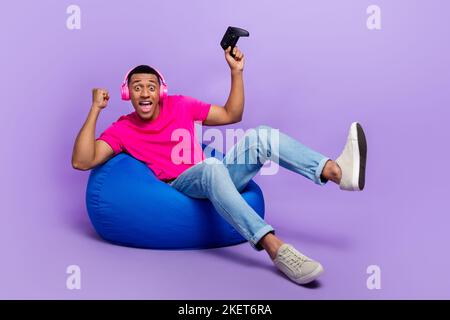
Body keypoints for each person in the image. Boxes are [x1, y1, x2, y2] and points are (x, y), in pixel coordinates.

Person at [72, 46, 367, 285]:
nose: (145, 93)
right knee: (212, 167)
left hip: (214, 177)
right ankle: (275, 248)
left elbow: (230, 115)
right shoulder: (124, 128)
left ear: (161, 91)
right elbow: (82, 161)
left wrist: (236, 72)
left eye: (151, 86)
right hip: (180, 186)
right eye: (137, 88)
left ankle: (336, 172)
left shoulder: (180, 105)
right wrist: (95, 109)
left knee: (260, 135)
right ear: (128, 94)